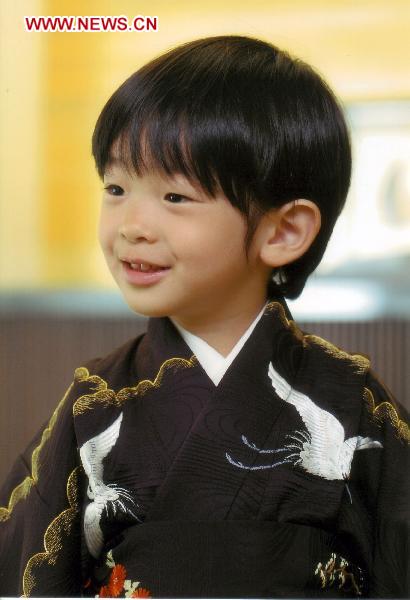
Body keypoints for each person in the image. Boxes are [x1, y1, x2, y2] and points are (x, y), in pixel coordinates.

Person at [0, 35, 408, 599]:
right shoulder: (93, 405)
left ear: (283, 231)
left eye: (174, 197)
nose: (131, 225)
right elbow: (28, 573)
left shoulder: (352, 400)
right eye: (116, 188)